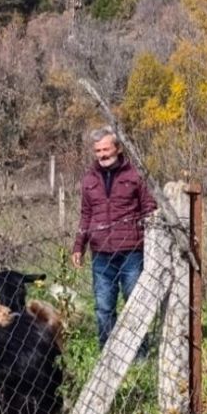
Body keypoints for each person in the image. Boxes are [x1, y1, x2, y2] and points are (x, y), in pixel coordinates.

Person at [73, 126, 157, 351]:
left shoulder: (135, 175)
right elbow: (86, 215)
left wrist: (150, 240)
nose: (102, 154)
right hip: (101, 254)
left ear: (117, 149)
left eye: (106, 149)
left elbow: (149, 207)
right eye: (98, 150)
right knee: (103, 307)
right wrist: (79, 246)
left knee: (135, 304)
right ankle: (108, 355)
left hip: (131, 251)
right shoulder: (89, 180)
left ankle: (139, 354)